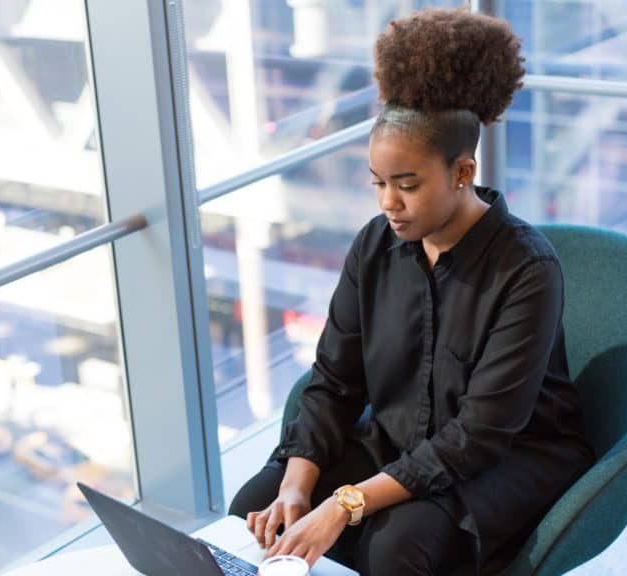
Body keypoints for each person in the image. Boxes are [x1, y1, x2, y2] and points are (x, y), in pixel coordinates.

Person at [228, 8, 595, 576]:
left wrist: (343, 505)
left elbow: (478, 436)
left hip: (507, 456)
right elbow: (333, 381)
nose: (387, 204)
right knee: (253, 511)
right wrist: (297, 489)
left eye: (407, 185)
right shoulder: (374, 246)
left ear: (462, 171)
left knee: (396, 547)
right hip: (397, 437)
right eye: (378, 183)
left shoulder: (528, 270)